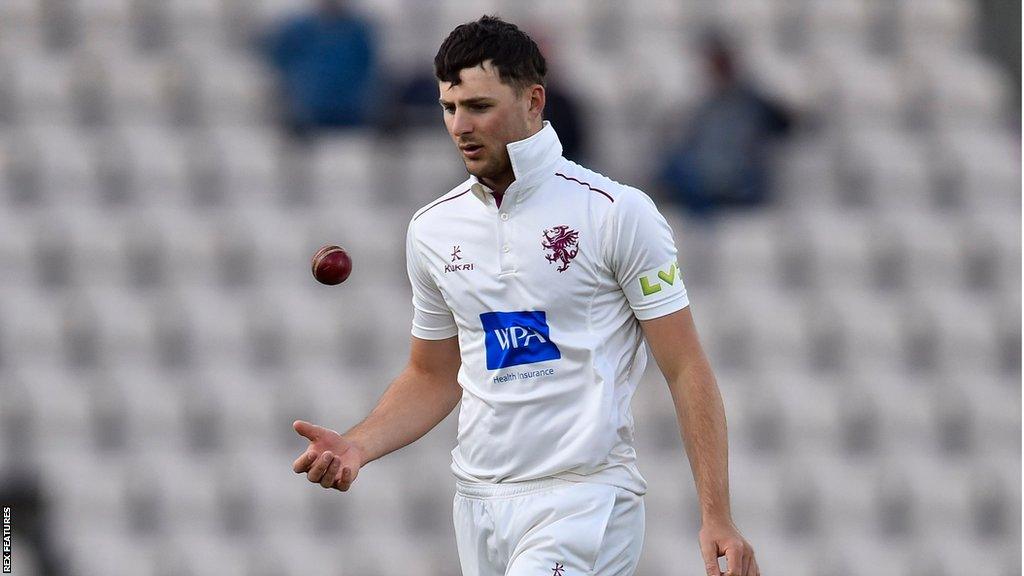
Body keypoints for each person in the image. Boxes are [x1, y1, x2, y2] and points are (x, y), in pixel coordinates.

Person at [292, 16, 759, 576]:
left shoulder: (615, 213)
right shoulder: (433, 229)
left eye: (480, 107)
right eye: (449, 107)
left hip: (584, 500)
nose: (461, 125)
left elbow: (686, 367)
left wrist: (717, 515)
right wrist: (356, 446)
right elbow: (434, 373)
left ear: (534, 100)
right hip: (479, 503)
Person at [658, 29, 792, 218]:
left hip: (741, 185)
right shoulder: (706, 107)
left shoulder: (752, 102)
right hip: (704, 183)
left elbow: (786, 124)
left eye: (721, 64)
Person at [259, 0, 377, 139]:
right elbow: (277, 57)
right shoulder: (298, 30)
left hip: (351, 112)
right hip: (309, 113)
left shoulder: (359, 31)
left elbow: (368, 67)